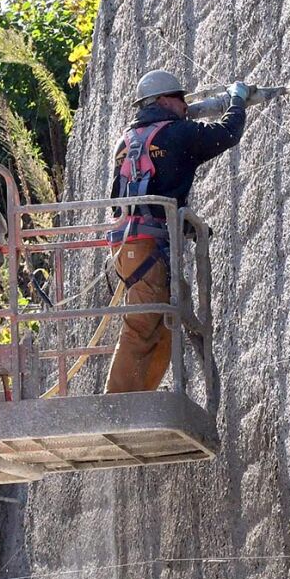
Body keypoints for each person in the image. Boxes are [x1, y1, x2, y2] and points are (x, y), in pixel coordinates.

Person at [105, 69, 251, 393]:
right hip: (148, 249)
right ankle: (114, 405)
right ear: (163, 101)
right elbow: (226, 133)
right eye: (180, 99)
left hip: (129, 247)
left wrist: (181, 225)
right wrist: (238, 101)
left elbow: (124, 199)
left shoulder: (126, 142)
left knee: (166, 326)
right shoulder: (177, 134)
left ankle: (140, 401)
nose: (185, 106)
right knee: (141, 325)